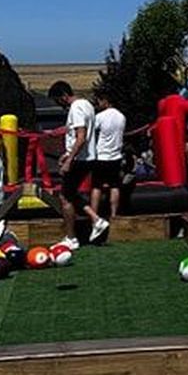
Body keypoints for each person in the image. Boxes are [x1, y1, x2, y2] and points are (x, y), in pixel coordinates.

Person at [49, 80, 109, 251]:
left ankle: (71, 237)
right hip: (86, 157)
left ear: (63, 96)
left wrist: (69, 160)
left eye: (57, 100)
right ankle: (96, 219)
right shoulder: (88, 105)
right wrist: (67, 154)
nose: (58, 105)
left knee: (65, 197)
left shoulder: (76, 108)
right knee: (72, 193)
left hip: (80, 160)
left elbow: (81, 136)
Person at [89, 90, 127, 220]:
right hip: (116, 156)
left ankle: (94, 215)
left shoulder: (100, 117)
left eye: (99, 101)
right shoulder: (121, 116)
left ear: (105, 101)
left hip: (101, 156)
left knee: (96, 186)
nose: (98, 104)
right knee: (115, 186)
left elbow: (91, 132)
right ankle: (114, 214)